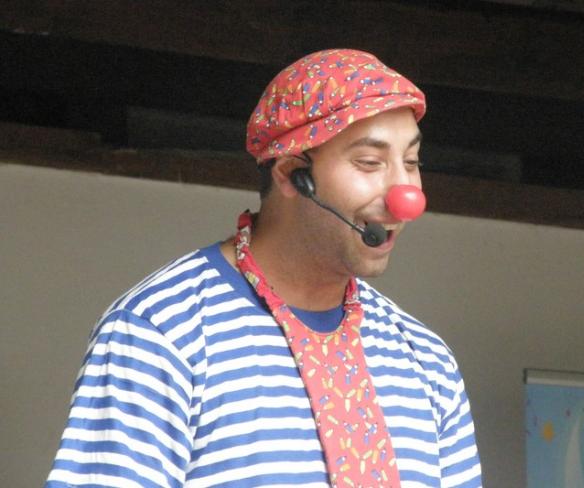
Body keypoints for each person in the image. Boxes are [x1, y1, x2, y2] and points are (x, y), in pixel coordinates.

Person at [46, 49, 482, 487]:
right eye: (369, 162)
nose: (406, 197)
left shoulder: (427, 360)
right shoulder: (163, 332)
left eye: (412, 163)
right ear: (292, 175)